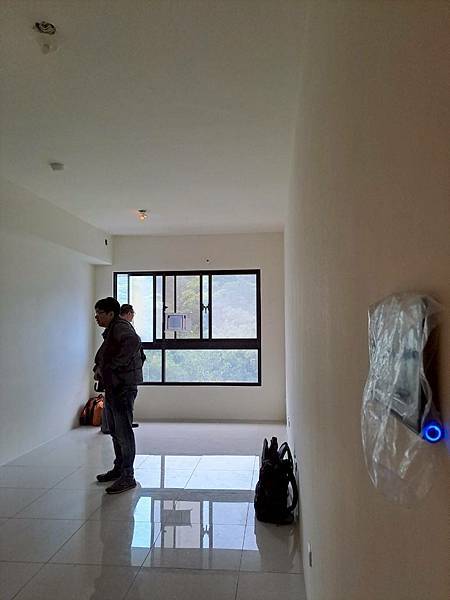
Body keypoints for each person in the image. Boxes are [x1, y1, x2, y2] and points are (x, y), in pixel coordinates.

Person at [93, 297, 143, 494]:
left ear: (111, 314)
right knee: (114, 430)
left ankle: (128, 476)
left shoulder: (120, 327)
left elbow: (134, 342)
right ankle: (119, 469)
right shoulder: (114, 328)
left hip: (123, 386)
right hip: (115, 386)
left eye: (100, 313)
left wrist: (114, 366)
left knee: (123, 432)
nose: (96, 317)